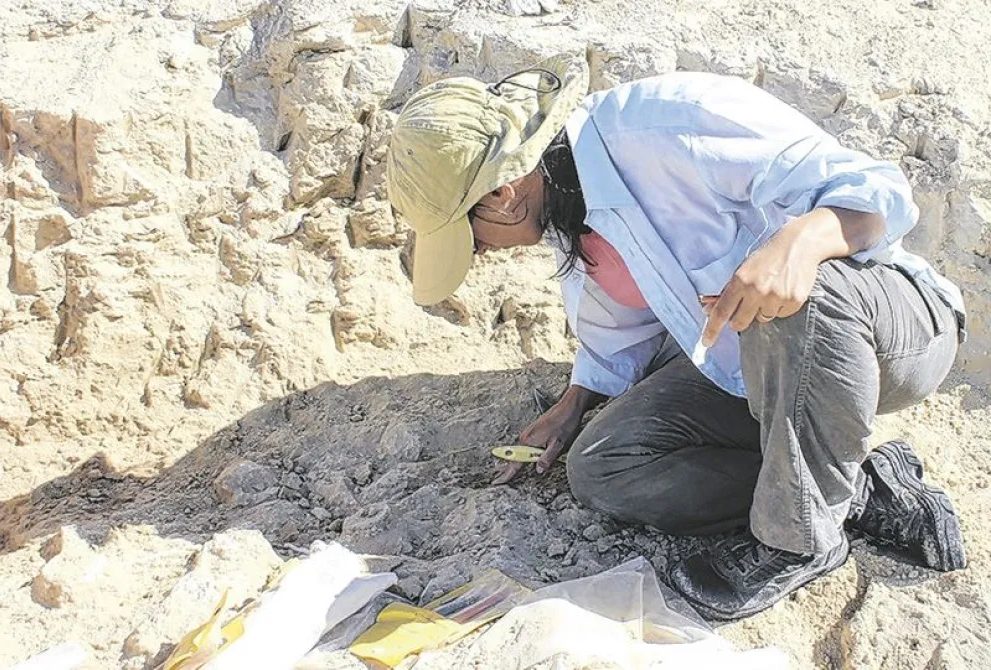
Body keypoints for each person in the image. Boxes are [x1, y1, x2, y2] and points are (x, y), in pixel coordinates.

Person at [384, 54, 968, 620]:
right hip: (757, 371)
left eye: (474, 239)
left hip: (889, 331)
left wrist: (800, 244)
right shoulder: (565, 209)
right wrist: (575, 404)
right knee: (602, 467)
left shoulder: (672, 121)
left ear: (500, 195)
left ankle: (799, 541)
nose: (481, 254)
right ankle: (862, 490)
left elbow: (880, 198)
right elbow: (622, 328)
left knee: (798, 294)